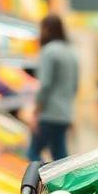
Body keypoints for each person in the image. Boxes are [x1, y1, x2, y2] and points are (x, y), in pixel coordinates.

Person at [27, 14, 79, 162]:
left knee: (33, 155)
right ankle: (65, 184)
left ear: (47, 29)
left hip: (48, 114)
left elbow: (45, 85)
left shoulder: (48, 51)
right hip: (64, 113)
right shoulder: (70, 52)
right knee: (60, 158)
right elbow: (75, 86)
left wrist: (36, 112)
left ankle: (38, 184)